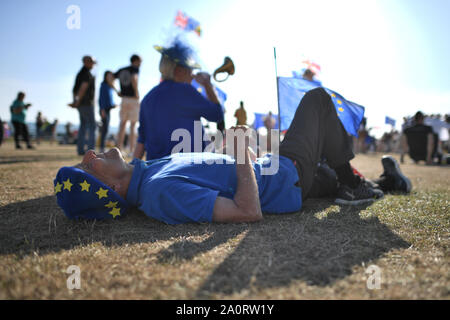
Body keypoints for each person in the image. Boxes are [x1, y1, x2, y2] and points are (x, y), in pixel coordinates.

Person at [55, 88, 400, 224]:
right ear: (112, 189)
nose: (89, 153)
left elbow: (219, 177)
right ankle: (351, 181)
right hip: (285, 174)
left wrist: (236, 158)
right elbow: (247, 212)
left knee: (327, 175)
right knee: (317, 99)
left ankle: (384, 181)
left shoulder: (148, 173)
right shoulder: (159, 192)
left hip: (281, 172)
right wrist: (238, 157)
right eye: (87, 167)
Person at [133, 40, 223, 160]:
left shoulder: (147, 99)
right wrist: (207, 85)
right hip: (188, 171)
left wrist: (131, 170)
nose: (192, 74)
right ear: (179, 70)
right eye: (189, 69)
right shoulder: (186, 91)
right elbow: (217, 114)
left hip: (155, 172)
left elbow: (141, 143)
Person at [115, 54, 142, 155]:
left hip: (124, 99)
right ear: (136, 61)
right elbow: (134, 78)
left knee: (122, 124)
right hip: (132, 99)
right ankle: (131, 149)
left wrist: (116, 90)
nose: (140, 64)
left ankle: (118, 149)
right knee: (133, 124)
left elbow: (110, 76)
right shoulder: (135, 69)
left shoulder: (122, 70)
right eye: (140, 61)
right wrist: (136, 92)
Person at [70, 55, 97, 156]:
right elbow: (83, 88)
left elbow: (75, 89)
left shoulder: (80, 73)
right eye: (92, 62)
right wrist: (77, 101)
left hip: (81, 104)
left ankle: (80, 150)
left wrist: (75, 101)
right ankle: (90, 151)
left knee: (83, 125)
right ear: (86, 62)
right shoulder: (87, 74)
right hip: (86, 103)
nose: (93, 65)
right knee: (92, 126)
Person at [99, 71, 117, 152]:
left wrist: (113, 105)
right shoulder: (103, 85)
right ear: (105, 76)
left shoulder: (110, 87)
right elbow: (101, 99)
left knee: (106, 129)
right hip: (104, 110)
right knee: (104, 129)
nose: (110, 78)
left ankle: (102, 146)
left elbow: (109, 99)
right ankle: (102, 147)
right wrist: (102, 109)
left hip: (108, 109)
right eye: (108, 76)